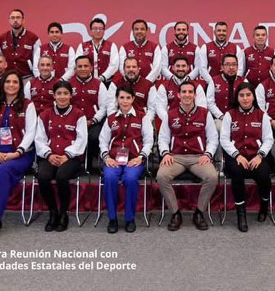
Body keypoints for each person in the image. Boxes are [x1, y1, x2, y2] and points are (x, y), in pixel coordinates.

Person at [0, 71, 37, 245]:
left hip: (20, 155)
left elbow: (31, 132)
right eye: (8, 82)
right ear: (3, 84)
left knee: (3, 171)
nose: (11, 85)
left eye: (15, 82)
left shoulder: (28, 105)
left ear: (20, 86)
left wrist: (18, 152)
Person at [157, 81, 219, 231]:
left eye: (190, 92)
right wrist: (165, 153)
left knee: (212, 177)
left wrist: (208, 153)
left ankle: (199, 212)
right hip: (175, 157)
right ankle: (175, 213)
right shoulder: (170, 114)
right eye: (184, 92)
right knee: (161, 176)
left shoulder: (205, 113)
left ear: (195, 95)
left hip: (198, 157)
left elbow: (212, 138)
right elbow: (163, 138)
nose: (187, 95)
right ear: (178, 95)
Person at [99, 84, 154, 233]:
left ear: (133, 99)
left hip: (134, 160)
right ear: (117, 99)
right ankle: (112, 218)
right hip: (113, 160)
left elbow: (149, 140)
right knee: (109, 178)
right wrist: (106, 157)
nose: (125, 101)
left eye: (128, 98)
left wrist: (141, 157)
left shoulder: (142, 117)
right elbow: (103, 141)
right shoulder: (111, 119)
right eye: (121, 97)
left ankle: (129, 218)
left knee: (130, 179)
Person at [219, 83, 274, 232]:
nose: (245, 98)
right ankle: (241, 214)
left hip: (257, 155)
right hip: (236, 156)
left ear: (253, 97)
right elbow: (224, 139)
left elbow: (268, 139)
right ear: (237, 97)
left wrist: (260, 155)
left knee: (263, 174)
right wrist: (237, 155)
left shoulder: (261, 115)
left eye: (248, 95)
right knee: (237, 173)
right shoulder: (230, 114)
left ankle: (264, 205)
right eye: (241, 95)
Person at [34, 81, 87, 232]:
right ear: (54, 96)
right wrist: (48, 155)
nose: (62, 97)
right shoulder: (45, 115)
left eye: (65, 93)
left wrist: (67, 155)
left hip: (71, 157)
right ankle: (53, 212)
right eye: (59, 93)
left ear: (71, 95)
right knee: (43, 176)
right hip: (50, 155)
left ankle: (63, 212)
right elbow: (40, 139)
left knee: (61, 177)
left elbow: (81, 139)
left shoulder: (79, 114)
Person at [69, 55, 108, 170]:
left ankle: (89, 162)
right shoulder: (69, 84)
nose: (83, 69)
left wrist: (92, 121)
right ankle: (75, 162)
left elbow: (103, 107)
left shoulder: (99, 84)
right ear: (75, 68)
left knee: (94, 137)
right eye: (80, 66)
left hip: (92, 122)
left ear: (91, 68)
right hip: (72, 122)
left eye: (86, 66)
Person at [155, 56, 208, 123]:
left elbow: (202, 107)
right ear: (173, 68)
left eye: (183, 66)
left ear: (188, 68)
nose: (181, 69)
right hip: (171, 123)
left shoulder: (197, 86)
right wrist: (170, 120)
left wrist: (190, 121)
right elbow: (160, 108)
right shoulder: (164, 86)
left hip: (192, 123)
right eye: (178, 66)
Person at [0, 9, 41, 80]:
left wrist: (37, 79)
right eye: (13, 18)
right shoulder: (2, 38)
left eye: (18, 17)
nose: (15, 20)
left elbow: (38, 61)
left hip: (27, 78)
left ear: (23, 20)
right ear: (9, 20)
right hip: (8, 79)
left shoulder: (33, 38)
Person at [76, 16, 119, 85]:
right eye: (95, 28)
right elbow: (79, 64)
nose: (98, 31)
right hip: (87, 82)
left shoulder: (111, 46)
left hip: (106, 82)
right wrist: (89, 78)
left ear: (104, 31)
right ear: (90, 31)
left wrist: (103, 77)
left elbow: (114, 65)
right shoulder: (82, 46)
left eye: (100, 29)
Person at [206, 54, 245, 129]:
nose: (231, 67)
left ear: (237, 67)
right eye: (227, 64)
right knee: (218, 127)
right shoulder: (214, 81)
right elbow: (210, 102)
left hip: (240, 118)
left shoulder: (243, 81)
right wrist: (221, 116)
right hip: (220, 118)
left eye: (234, 64)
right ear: (222, 67)